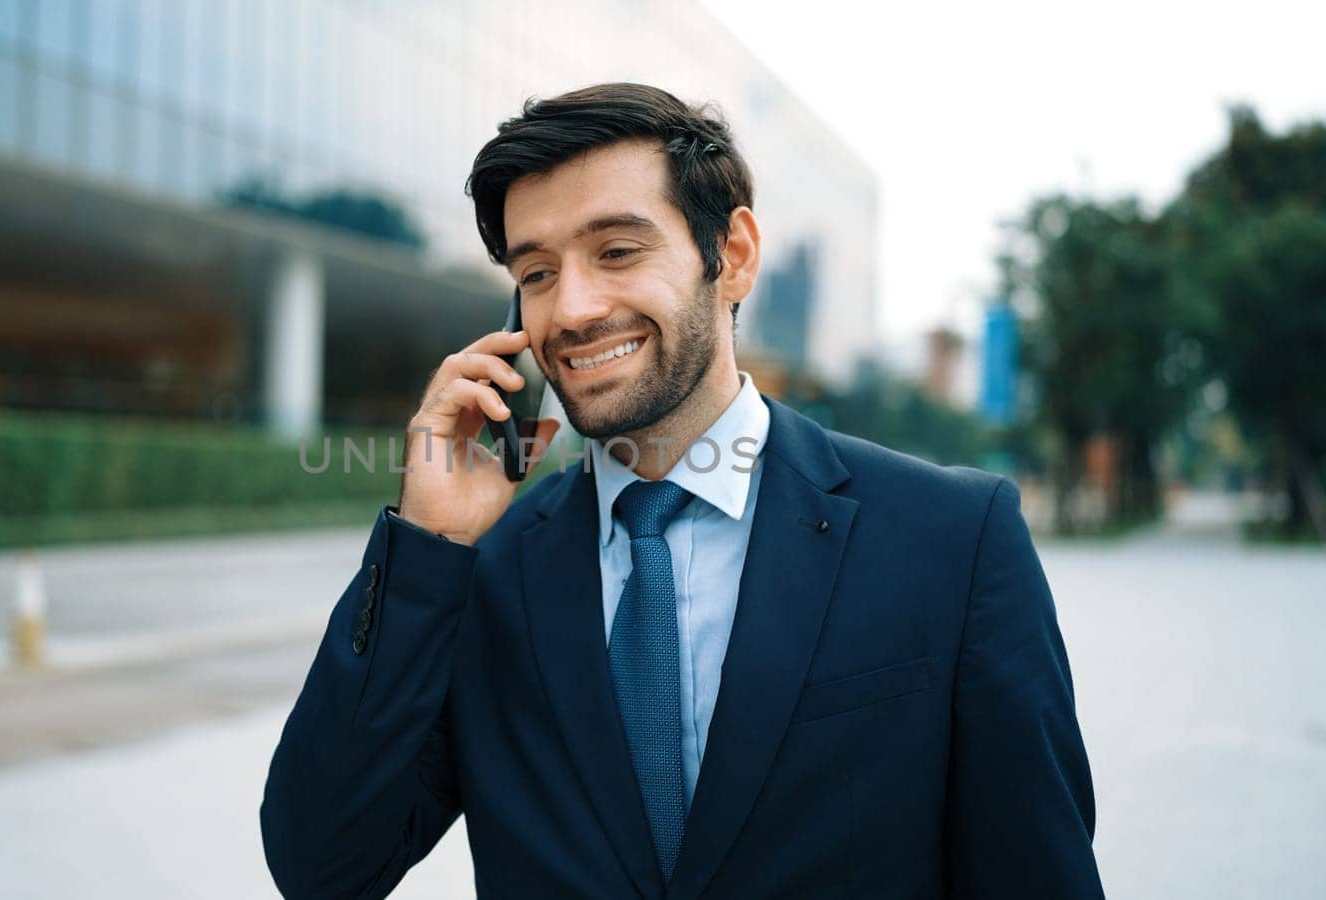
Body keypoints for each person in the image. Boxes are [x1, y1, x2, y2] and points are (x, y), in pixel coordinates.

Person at [261, 83, 1104, 899]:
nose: (574, 308)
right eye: (539, 272)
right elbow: (323, 869)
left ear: (731, 257)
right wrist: (425, 547)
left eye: (617, 252)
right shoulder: (482, 573)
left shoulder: (952, 539)